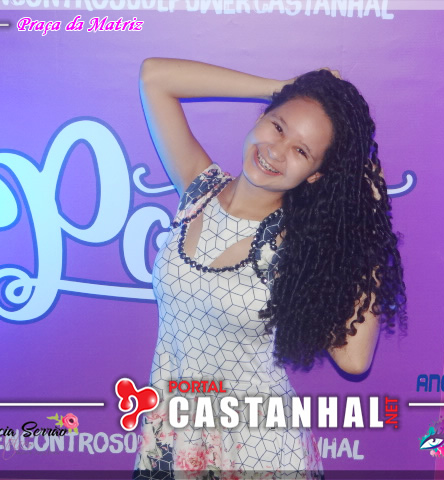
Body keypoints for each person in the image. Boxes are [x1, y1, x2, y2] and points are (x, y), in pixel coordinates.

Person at [133, 58, 407, 480]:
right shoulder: (199, 189)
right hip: (174, 433)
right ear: (261, 116)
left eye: (301, 151)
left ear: (314, 175)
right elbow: (154, 77)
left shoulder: (299, 246)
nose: (276, 152)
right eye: (278, 127)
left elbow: (354, 361)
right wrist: (283, 87)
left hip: (258, 450)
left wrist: (368, 221)